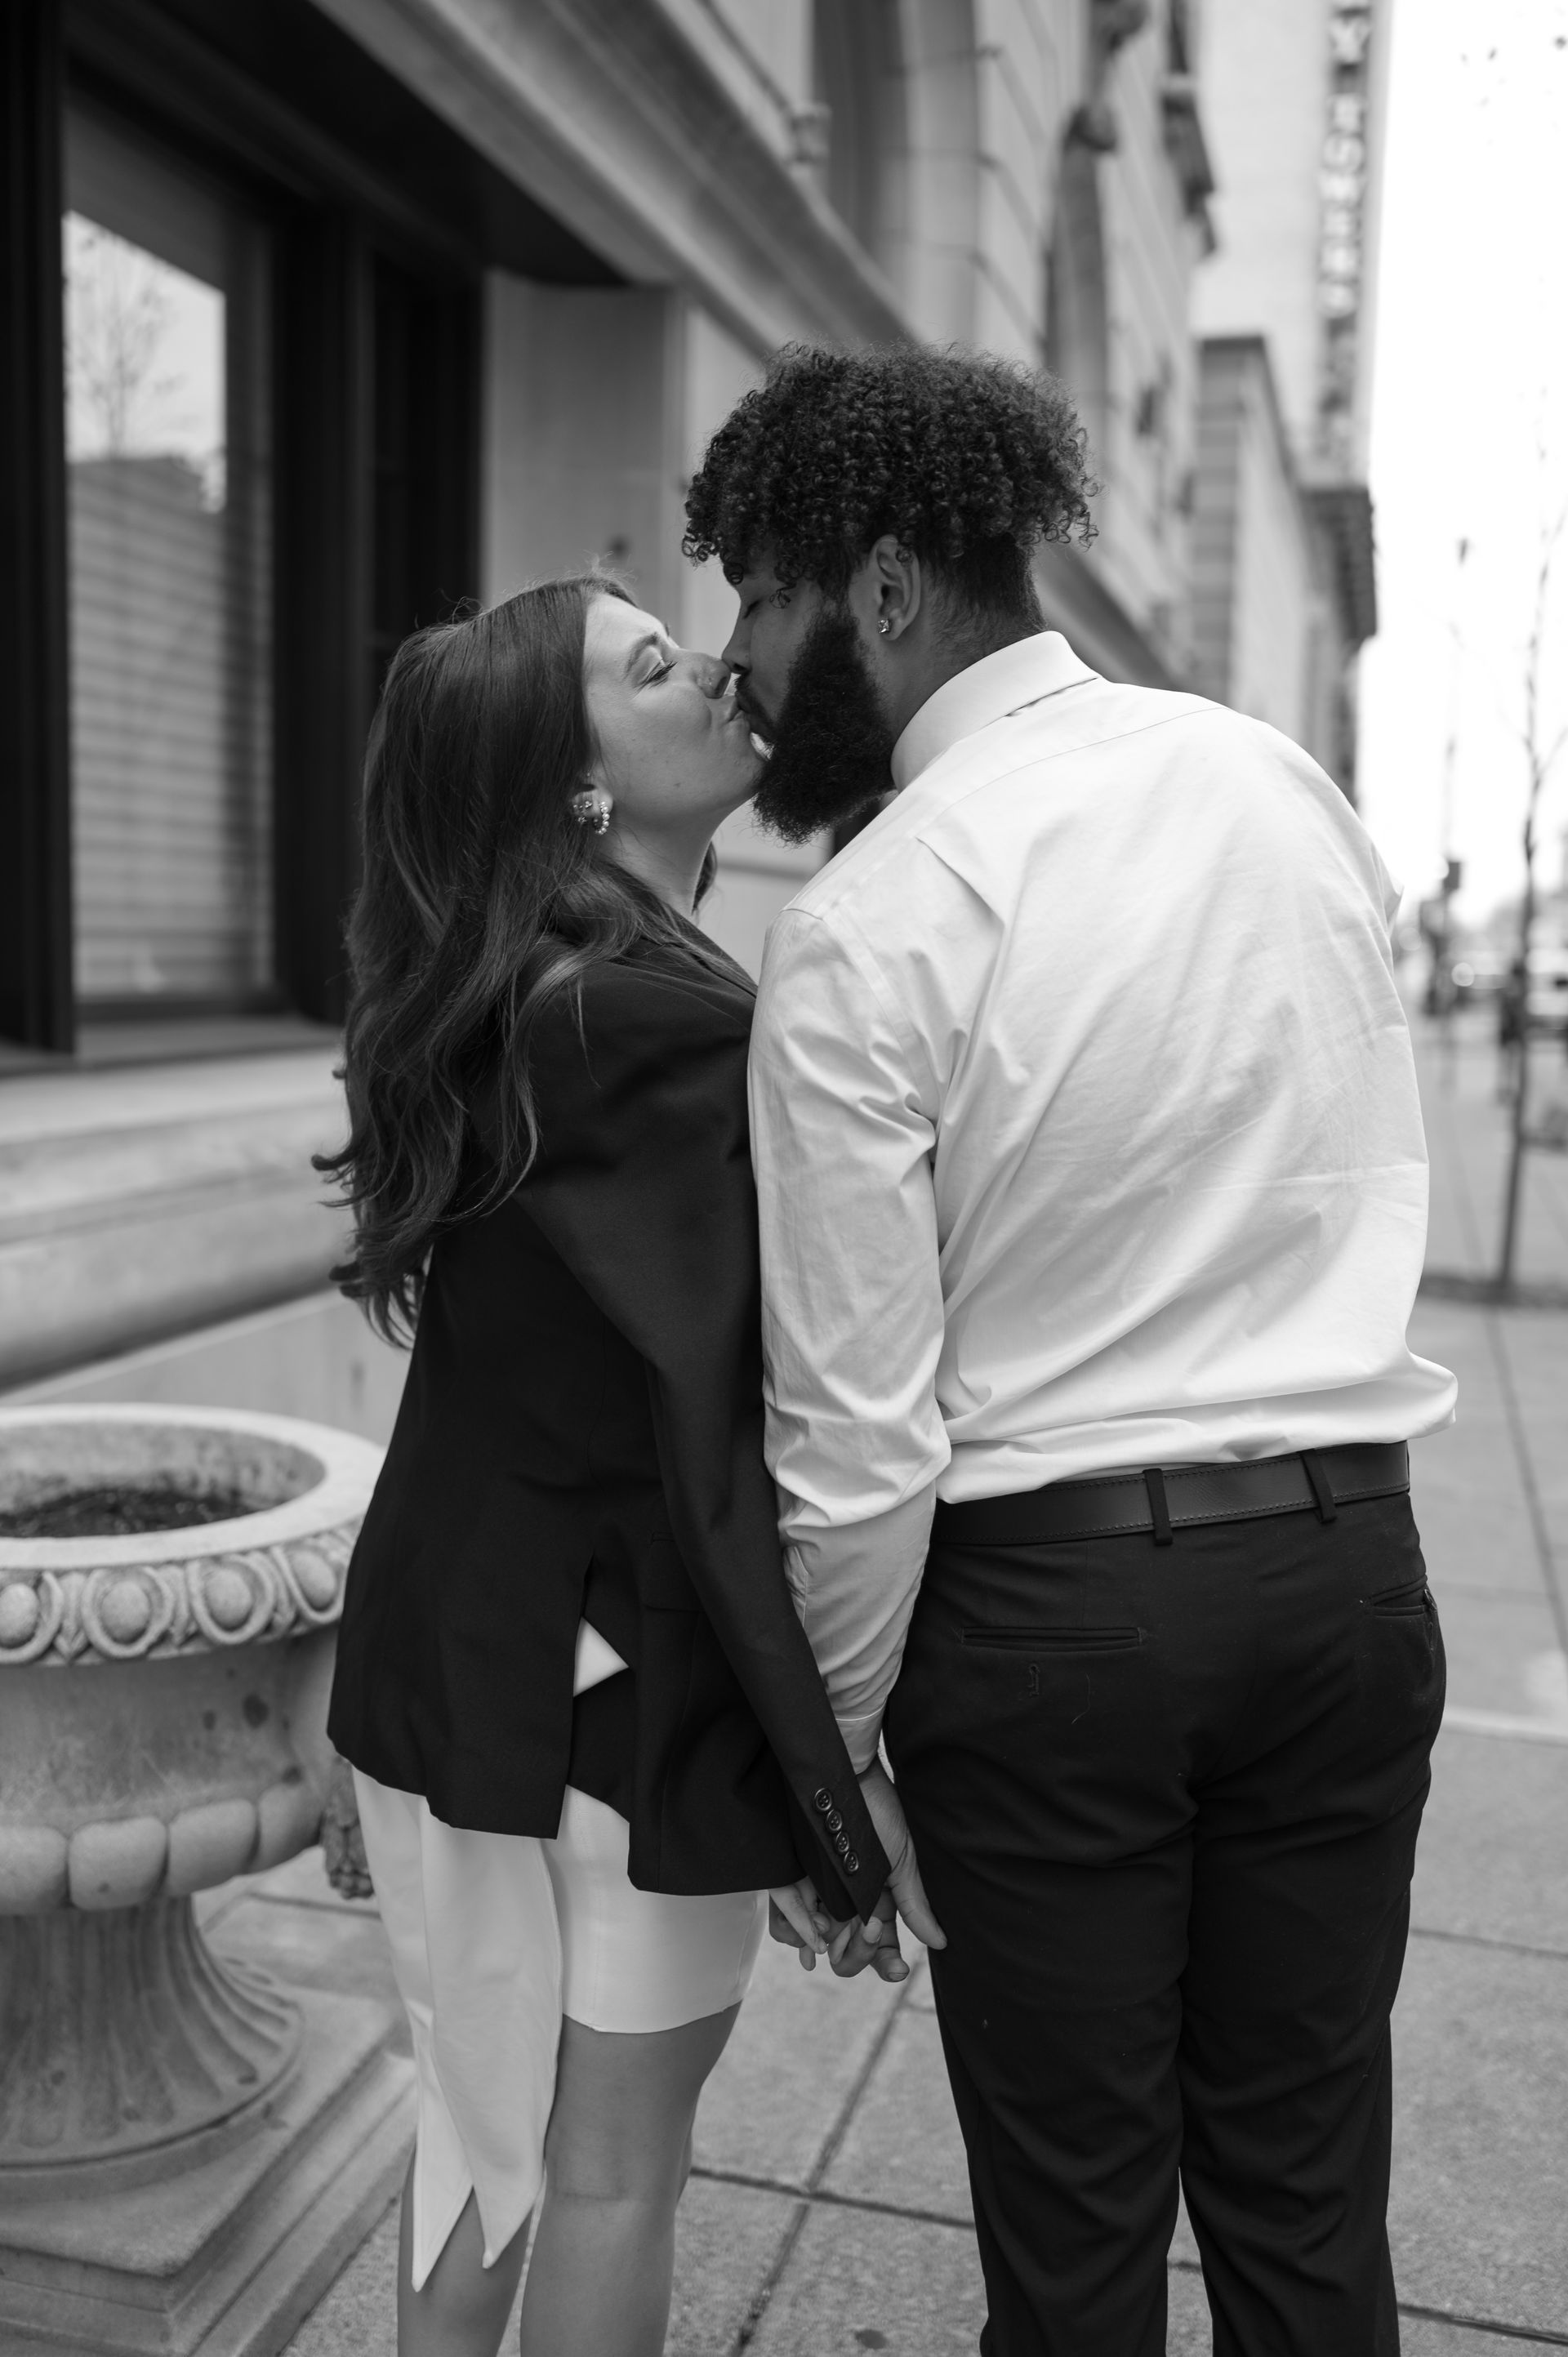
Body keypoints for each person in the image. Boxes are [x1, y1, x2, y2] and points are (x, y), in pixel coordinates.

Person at [684, 344, 1458, 2357]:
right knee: (1309, 2209)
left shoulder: (870, 919)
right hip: (1348, 1580)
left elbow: (858, 1444)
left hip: (1054, 1629)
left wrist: (833, 1776)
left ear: (879, 587)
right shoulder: (1277, 784)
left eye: (757, 597)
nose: (738, 661)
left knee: (1077, 2250)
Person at [318, 576, 938, 2357]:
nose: (720, 666)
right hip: (602, 1694)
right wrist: (834, 1804)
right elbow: (724, 1442)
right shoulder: (650, 1025)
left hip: (469, 1666)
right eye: (654, 665)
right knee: (602, 2177)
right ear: (574, 788)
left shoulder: (516, 999)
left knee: (481, 2147)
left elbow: (491, 1397)